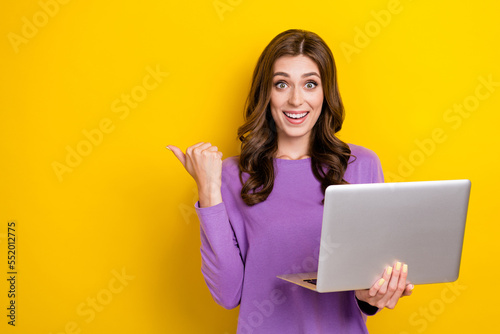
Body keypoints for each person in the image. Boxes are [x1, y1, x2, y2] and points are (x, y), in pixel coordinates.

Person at [168, 29, 413, 333]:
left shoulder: (361, 165)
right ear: (266, 92)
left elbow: (367, 284)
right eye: (281, 84)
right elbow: (228, 294)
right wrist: (207, 189)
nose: (296, 100)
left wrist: (369, 297)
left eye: (310, 84)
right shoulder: (232, 174)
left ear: (325, 93)